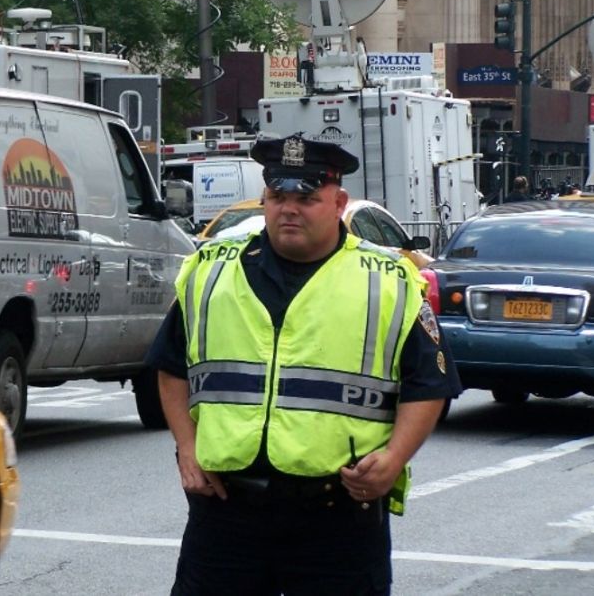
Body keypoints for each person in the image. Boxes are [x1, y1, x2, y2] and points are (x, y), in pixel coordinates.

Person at [147, 132, 461, 595]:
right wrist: (187, 446)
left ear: (339, 202)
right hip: (226, 514)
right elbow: (171, 364)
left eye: (307, 198)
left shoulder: (388, 280)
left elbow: (429, 382)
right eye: (277, 196)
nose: (288, 208)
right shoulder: (212, 270)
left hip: (336, 519)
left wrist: (394, 459)